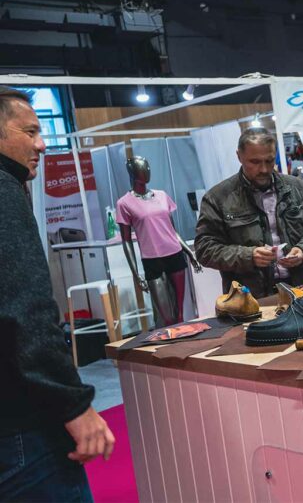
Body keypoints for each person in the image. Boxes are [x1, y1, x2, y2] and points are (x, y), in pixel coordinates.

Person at [0, 86, 115, 501]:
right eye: (29, 132)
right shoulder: (3, 189)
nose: (42, 144)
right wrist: (73, 405)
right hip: (21, 428)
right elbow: (25, 310)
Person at [195, 129, 303, 298]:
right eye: (255, 162)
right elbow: (205, 249)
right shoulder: (218, 198)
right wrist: (248, 256)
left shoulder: (297, 188)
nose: (264, 169)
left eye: (269, 160)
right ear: (239, 156)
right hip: (251, 299)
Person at [117, 156, 202, 327]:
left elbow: (172, 230)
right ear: (132, 173)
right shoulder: (124, 203)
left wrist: (190, 252)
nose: (147, 172)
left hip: (175, 254)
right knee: (167, 317)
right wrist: (135, 274)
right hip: (151, 259)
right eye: (142, 169)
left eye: (148, 168)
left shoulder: (162, 195)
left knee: (179, 315)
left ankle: (183, 350)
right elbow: (126, 241)